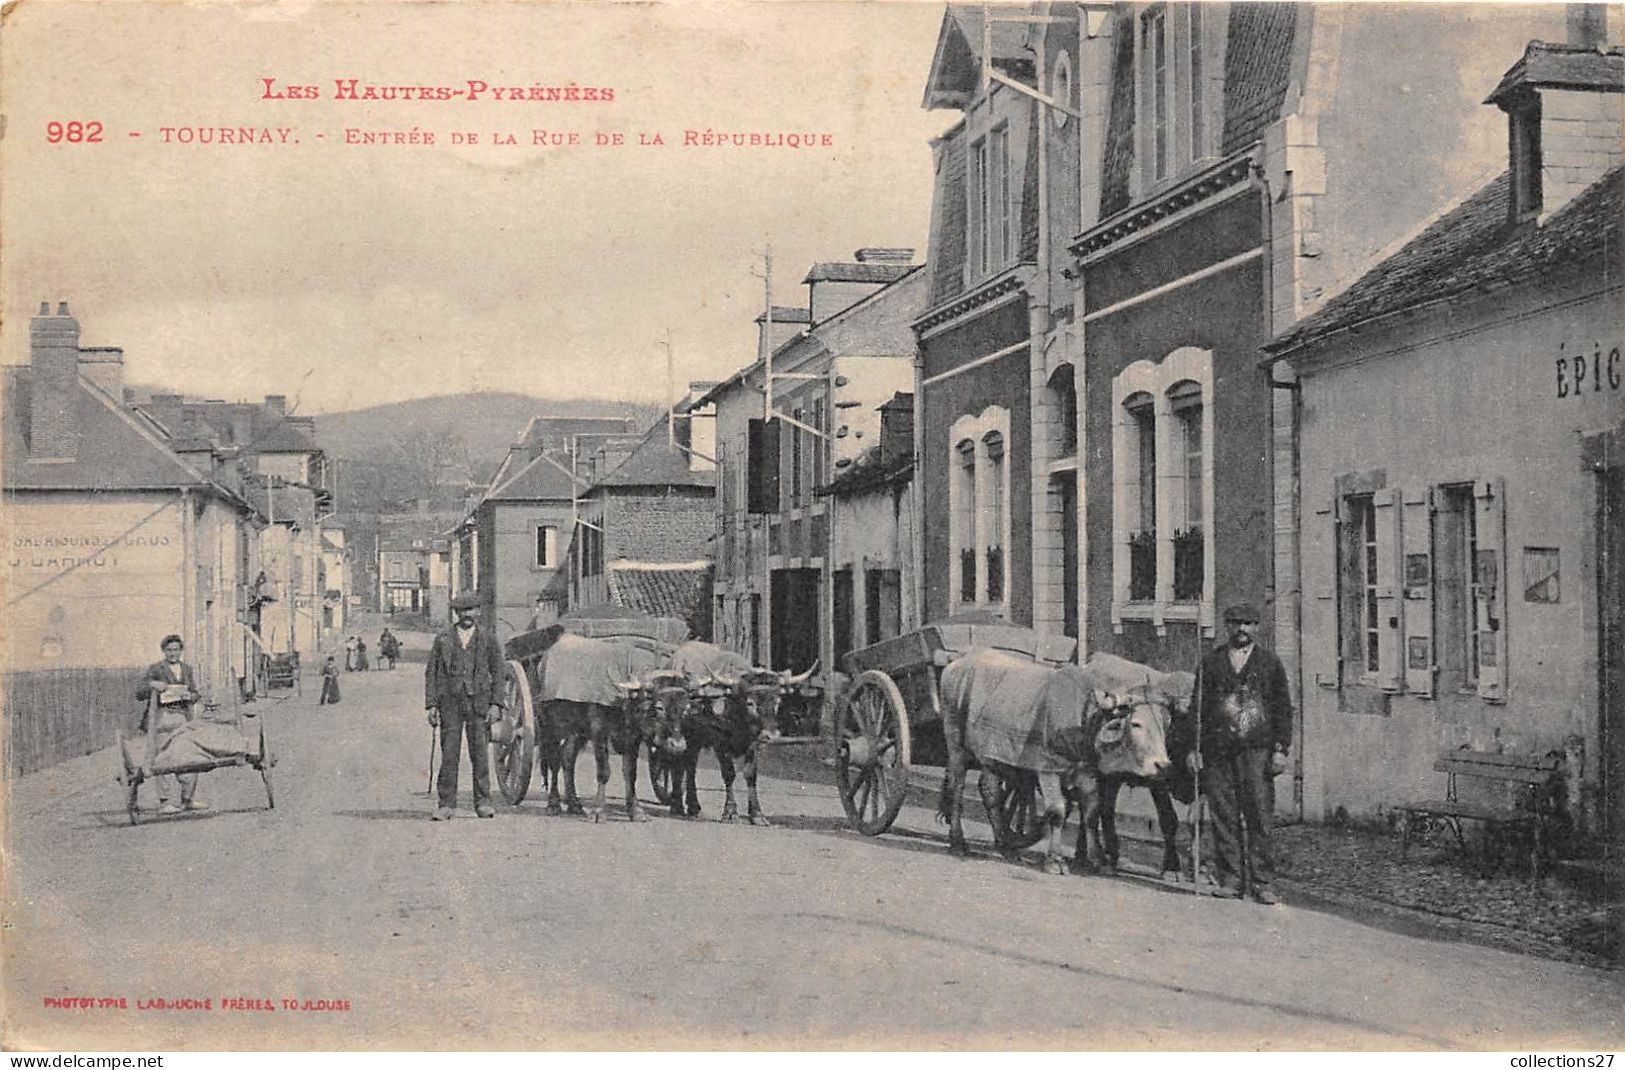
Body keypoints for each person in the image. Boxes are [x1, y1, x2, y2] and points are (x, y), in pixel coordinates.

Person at [1191, 602, 1294, 905]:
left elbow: (1282, 710)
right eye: (1235, 623)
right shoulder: (1211, 663)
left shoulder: (1270, 664)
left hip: (1256, 753)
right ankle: (1231, 880)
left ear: (1257, 628)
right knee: (1224, 817)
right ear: (1226, 626)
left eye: (1248, 624)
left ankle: (1263, 882)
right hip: (1218, 753)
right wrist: (1194, 749)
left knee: (1259, 817)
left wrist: (1280, 749)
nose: (1241, 629)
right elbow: (1197, 711)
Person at [424, 593, 506, 820]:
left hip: (479, 704)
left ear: (478, 612)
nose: (467, 615)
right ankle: (446, 804)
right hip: (449, 704)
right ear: (456, 613)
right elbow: (431, 672)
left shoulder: (488, 639)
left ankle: (483, 802)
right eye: (462, 611)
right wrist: (431, 705)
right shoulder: (443, 639)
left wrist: (496, 704)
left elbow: (499, 673)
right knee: (449, 754)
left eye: (471, 610)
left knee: (479, 754)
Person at [133, 634, 206, 815]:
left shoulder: (187, 669)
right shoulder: (156, 669)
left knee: (189, 755)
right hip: (162, 718)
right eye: (169, 650)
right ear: (164, 651)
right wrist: (152, 684)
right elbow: (139, 692)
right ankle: (165, 801)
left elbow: (196, 692)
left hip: (183, 716)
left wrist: (192, 696)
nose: (173, 653)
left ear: (181, 651)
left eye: (176, 650)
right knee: (163, 757)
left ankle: (187, 799)